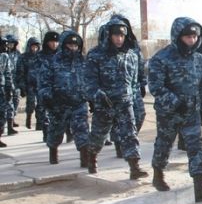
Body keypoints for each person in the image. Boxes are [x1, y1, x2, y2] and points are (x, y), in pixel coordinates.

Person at [148, 17, 202, 202]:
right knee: (164, 145)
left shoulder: (201, 60)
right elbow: (155, 87)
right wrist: (175, 102)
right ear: (178, 36)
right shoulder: (161, 59)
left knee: (196, 148)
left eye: (195, 37)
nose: (192, 40)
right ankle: (158, 173)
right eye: (188, 37)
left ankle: (200, 187)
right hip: (168, 113)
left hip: (191, 113)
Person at [84, 18, 148, 179]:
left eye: (122, 35)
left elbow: (133, 81)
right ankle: (91, 157)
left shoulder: (131, 55)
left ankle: (134, 167)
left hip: (125, 102)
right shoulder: (95, 55)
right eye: (116, 35)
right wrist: (97, 96)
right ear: (108, 35)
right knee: (98, 135)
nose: (119, 39)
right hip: (105, 103)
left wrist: (134, 96)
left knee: (130, 134)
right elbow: (89, 82)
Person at [38, 30, 90, 166]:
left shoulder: (84, 61)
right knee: (56, 132)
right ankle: (53, 153)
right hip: (58, 104)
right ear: (63, 45)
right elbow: (43, 83)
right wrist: (48, 98)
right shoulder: (52, 62)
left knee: (82, 131)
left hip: (79, 103)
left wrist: (92, 98)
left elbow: (91, 80)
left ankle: (85, 160)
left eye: (75, 45)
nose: (73, 48)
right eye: (70, 45)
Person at [108, 14, 148, 158]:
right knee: (119, 119)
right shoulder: (107, 44)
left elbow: (140, 64)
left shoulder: (132, 44)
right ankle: (121, 143)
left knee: (140, 114)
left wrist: (142, 84)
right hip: (114, 90)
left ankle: (127, 139)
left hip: (134, 87)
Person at [35, 31, 60, 141]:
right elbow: (35, 73)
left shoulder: (61, 55)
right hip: (44, 87)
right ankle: (46, 133)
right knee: (45, 111)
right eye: (52, 42)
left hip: (60, 87)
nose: (54, 44)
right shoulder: (40, 56)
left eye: (56, 42)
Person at [15, 37, 41, 129]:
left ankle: (39, 123)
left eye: (36, 47)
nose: (34, 49)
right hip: (29, 84)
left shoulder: (41, 57)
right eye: (33, 47)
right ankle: (28, 119)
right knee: (31, 103)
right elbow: (20, 72)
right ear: (29, 46)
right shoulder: (23, 57)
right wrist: (22, 86)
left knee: (40, 104)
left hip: (40, 84)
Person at [3, 34, 21, 134]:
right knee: (8, 103)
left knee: (16, 101)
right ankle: (9, 125)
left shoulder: (18, 53)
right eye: (9, 43)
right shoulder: (4, 53)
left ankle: (12, 119)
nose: (11, 45)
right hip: (6, 81)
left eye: (13, 43)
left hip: (16, 80)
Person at [0, 36, 11, 147]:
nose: (5, 47)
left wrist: (9, 88)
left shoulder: (5, 56)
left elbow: (8, 73)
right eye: (2, 44)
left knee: (2, 113)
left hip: (1, 88)